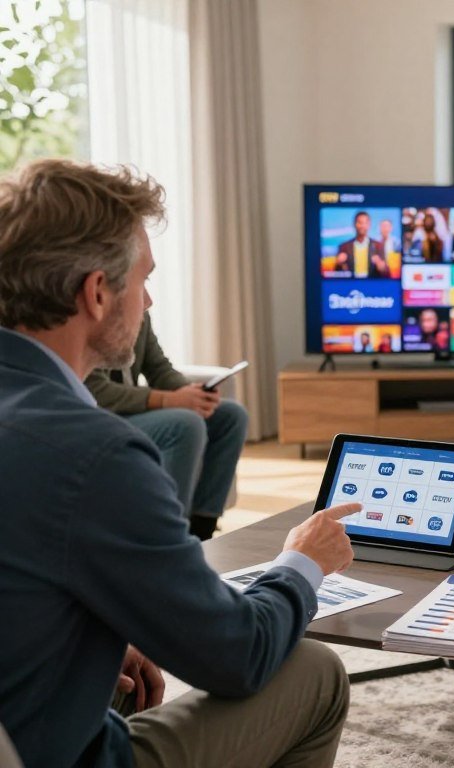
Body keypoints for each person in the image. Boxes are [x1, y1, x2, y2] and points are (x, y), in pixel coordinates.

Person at [0, 159, 355, 768]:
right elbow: (238, 656)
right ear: (96, 292)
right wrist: (302, 564)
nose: (151, 297)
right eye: (144, 279)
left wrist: (101, 636)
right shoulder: (95, 454)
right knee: (315, 670)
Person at [85, 313, 248, 540]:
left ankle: (202, 529)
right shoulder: (97, 318)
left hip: (137, 413)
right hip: (106, 417)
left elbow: (159, 369)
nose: (149, 299)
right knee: (186, 424)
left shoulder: (140, 315)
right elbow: (97, 392)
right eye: (142, 284)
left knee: (231, 416)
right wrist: (167, 400)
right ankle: (168, 536)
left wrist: (193, 395)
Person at [335, 210, 389, 277]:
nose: (362, 226)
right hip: (351, 285)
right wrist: (339, 263)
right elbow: (336, 273)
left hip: (372, 284)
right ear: (354, 224)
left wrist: (381, 266)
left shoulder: (378, 246)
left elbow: (386, 273)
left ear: (369, 225)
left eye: (365, 223)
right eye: (359, 222)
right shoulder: (344, 246)